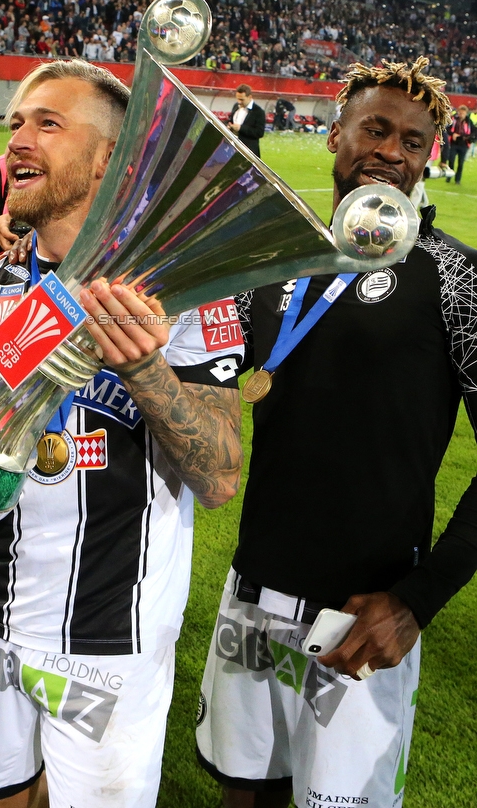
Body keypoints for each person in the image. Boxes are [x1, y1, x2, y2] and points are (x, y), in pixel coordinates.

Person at [0, 59, 245, 808]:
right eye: (14, 125)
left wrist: (146, 369)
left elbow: (221, 474)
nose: (17, 142)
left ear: (108, 159)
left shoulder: (186, 294)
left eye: (47, 123)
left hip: (110, 636)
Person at [196, 57, 477, 808]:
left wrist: (416, 600)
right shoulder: (274, 258)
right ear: (334, 135)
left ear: (426, 159)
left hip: (366, 614)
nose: (390, 151)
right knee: (242, 792)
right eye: (375, 129)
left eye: (412, 142)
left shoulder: (455, 279)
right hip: (252, 591)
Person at [228, 85, 265, 157]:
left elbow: (259, 133)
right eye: (238, 99)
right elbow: (231, 120)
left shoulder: (258, 112)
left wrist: (240, 128)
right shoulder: (236, 106)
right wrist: (229, 126)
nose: (239, 102)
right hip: (233, 149)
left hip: (248, 151)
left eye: (242, 100)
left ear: (250, 97)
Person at [446, 104, 473, 184]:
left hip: (463, 144)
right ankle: (449, 177)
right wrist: (453, 134)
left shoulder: (469, 122)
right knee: (451, 160)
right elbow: (448, 129)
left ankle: (457, 180)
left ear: (466, 113)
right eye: (460, 113)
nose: (461, 115)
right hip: (454, 143)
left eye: (463, 113)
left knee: (460, 163)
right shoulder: (454, 119)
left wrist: (464, 137)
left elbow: (473, 132)